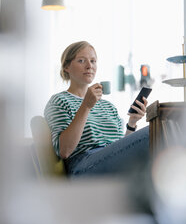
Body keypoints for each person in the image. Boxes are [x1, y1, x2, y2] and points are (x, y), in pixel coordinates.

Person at [44, 41, 150, 177]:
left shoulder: (108, 106)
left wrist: (132, 123)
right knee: (152, 133)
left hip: (109, 160)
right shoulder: (59, 101)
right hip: (83, 166)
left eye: (93, 61)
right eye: (81, 61)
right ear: (66, 67)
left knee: (158, 133)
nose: (89, 66)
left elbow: (121, 149)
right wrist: (86, 106)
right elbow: (64, 151)